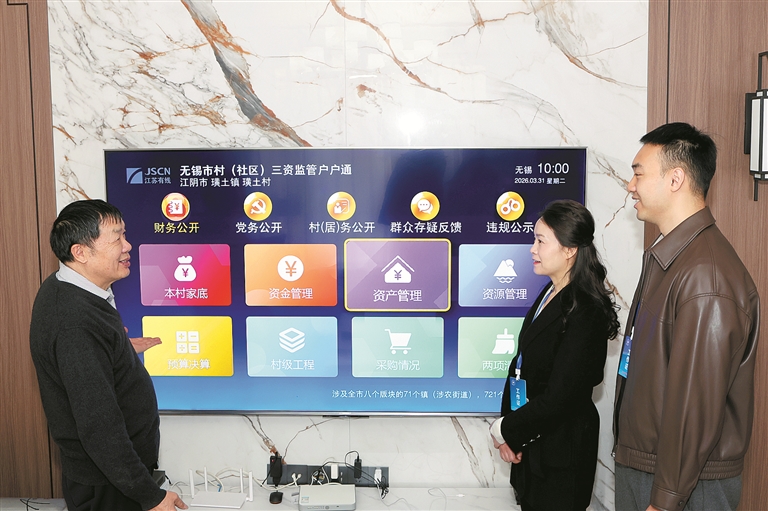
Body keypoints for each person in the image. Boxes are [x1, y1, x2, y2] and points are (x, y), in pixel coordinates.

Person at [613, 122, 760, 511]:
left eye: (638, 173)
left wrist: (666, 498)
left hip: (684, 485)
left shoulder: (705, 275)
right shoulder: (673, 257)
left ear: (675, 179)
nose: (630, 185)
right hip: (656, 472)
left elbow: (695, 403)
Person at [29, 199, 187, 511]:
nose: (128, 246)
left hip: (115, 476)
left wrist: (117, 351)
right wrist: (151, 496)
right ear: (81, 252)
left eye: (124, 235)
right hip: (108, 484)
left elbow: (83, 362)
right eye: (116, 239)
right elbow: (99, 428)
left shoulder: (69, 287)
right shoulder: (75, 324)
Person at [490, 199, 620, 510]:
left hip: (560, 456)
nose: (532, 249)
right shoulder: (551, 292)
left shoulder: (586, 309)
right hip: (532, 446)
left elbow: (561, 395)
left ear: (569, 249)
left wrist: (505, 430)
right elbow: (520, 366)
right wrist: (511, 430)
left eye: (540, 241)